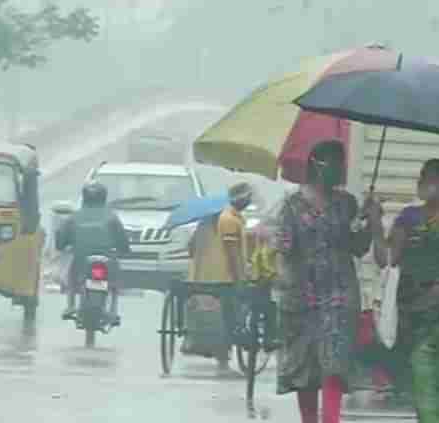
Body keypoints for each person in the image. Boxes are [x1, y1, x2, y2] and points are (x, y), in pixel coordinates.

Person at [274, 140, 374, 423]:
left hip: (340, 295)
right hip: (301, 295)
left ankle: (331, 419)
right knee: (305, 366)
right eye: (336, 163)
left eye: (342, 163)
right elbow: (283, 248)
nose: (341, 169)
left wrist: (366, 222)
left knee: (335, 362)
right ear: (318, 165)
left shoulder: (347, 204)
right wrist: (283, 283)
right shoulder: (291, 205)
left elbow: (358, 247)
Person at [370, 158, 439, 422]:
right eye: (421, 177)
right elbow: (386, 258)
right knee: (424, 393)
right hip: (416, 319)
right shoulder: (410, 218)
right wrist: (376, 222)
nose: (421, 182)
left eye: (429, 177)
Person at [185, 182, 254, 375]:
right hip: (223, 278)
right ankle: (223, 360)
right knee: (230, 314)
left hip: (199, 278)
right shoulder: (231, 220)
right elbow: (233, 254)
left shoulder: (203, 224)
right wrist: (241, 278)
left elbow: (190, 249)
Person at [56, 182, 130, 325]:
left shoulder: (74, 217)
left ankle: (71, 306)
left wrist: (62, 245)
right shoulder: (112, 216)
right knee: (114, 283)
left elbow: (61, 238)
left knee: (72, 277)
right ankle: (114, 310)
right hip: (107, 257)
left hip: (81, 257)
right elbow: (122, 240)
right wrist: (125, 250)